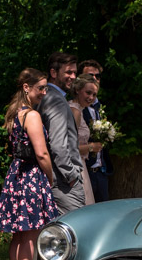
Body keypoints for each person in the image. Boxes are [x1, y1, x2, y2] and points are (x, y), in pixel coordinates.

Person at [0, 69, 57, 260]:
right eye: (40, 88)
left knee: (18, 235)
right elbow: (41, 153)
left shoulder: (14, 113)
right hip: (31, 175)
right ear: (26, 88)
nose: (44, 92)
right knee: (30, 235)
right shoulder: (32, 116)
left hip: (16, 175)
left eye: (45, 88)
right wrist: (50, 177)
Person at [39, 51, 86, 213]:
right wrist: (71, 176)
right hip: (64, 184)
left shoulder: (45, 96)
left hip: (58, 180)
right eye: (68, 72)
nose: (73, 77)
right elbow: (58, 144)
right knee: (77, 232)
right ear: (53, 72)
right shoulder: (55, 100)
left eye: (74, 72)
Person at [78, 59, 112, 202]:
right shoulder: (77, 107)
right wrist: (91, 147)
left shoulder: (99, 107)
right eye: (90, 76)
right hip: (85, 170)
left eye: (97, 76)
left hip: (101, 171)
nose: (95, 79)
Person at [68, 73, 103, 206]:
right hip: (75, 165)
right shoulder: (75, 111)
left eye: (94, 95)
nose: (91, 98)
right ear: (77, 90)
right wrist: (91, 147)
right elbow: (68, 146)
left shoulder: (79, 110)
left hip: (81, 163)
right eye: (88, 92)